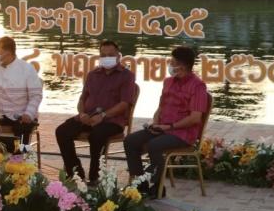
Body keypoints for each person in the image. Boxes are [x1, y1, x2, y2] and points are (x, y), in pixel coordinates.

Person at [123, 46, 209, 197]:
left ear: (182, 66)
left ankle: (158, 187)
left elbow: (195, 118)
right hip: (162, 128)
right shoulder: (168, 82)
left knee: (154, 145)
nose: (170, 64)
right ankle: (140, 184)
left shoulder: (198, 86)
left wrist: (169, 126)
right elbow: (161, 107)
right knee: (130, 141)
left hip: (182, 133)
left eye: (172, 62)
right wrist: (155, 123)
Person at [54, 40, 137, 181]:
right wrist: (82, 113)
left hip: (111, 120)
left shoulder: (127, 76)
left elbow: (124, 103)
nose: (107, 58)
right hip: (89, 117)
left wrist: (103, 115)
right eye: (103, 55)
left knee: (96, 135)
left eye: (110, 55)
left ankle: (94, 175)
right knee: (62, 131)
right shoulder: (92, 74)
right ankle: (75, 172)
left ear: (118, 56)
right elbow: (82, 98)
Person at [0, 36, 43, 154]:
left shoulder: (27, 69)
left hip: (21, 115)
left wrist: (29, 113)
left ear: (8, 53)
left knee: (22, 129)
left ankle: (20, 161)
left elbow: (36, 95)